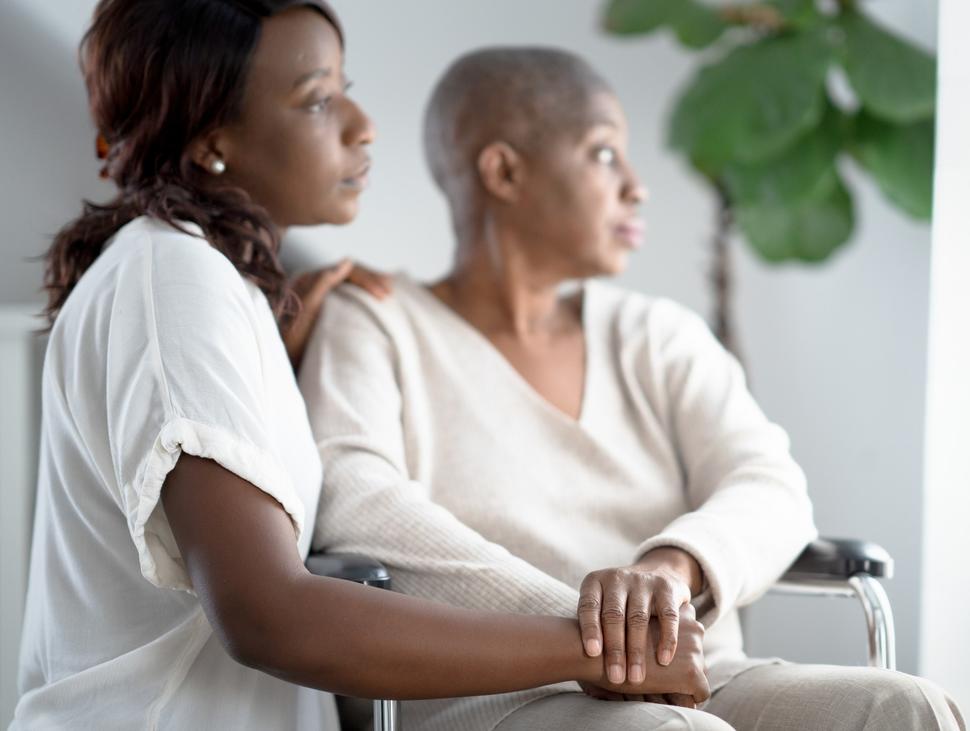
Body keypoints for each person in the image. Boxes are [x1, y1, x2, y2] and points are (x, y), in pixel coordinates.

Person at [12, 5, 709, 729]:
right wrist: (593, 650)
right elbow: (267, 614)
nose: (362, 124)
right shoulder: (175, 281)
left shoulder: (207, 283)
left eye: (347, 88)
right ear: (213, 138)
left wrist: (276, 356)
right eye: (318, 100)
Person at [299, 46, 967, 731]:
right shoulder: (374, 319)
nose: (637, 186)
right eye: (604, 153)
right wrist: (596, 639)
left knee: (908, 707)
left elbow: (770, 483)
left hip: (697, 676)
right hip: (492, 693)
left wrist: (670, 570)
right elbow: (358, 498)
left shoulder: (658, 334)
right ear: (504, 171)